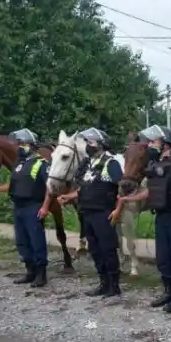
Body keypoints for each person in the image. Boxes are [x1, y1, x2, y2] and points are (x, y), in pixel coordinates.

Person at [114, 124, 171, 314]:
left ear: (165, 143)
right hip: (162, 216)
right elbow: (151, 192)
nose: (150, 144)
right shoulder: (157, 163)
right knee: (163, 257)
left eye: (153, 141)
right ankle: (168, 291)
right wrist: (129, 198)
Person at [56, 127, 124, 298]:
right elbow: (83, 188)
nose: (88, 145)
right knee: (95, 249)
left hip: (104, 212)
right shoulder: (88, 164)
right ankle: (103, 282)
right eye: (87, 142)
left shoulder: (111, 163)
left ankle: (114, 286)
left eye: (91, 142)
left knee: (108, 249)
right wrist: (68, 197)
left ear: (101, 145)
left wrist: (118, 210)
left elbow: (122, 189)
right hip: (87, 212)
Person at [0, 128, 50, 287]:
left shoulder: (41, 164)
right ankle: (30, 271)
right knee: (22, 242)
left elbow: (49, 187)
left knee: (36, 240)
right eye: (18, 144)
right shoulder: (19, 164)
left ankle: (41, 274)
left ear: (31, 145)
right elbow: (11, 185)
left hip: (33, 206)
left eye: (22, 144)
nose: (18, 147)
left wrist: (45, 206)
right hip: (18, 207)